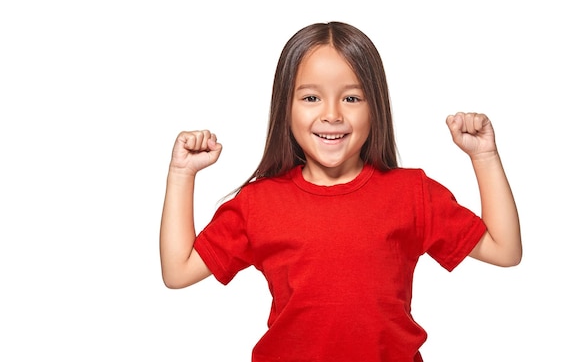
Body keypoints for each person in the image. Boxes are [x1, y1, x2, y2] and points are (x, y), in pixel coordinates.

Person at [160, 21, 522, 362]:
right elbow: (178, 272)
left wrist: (485, 157)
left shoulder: (412, 193)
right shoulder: (259, 202)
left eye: (351, 98)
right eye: (311, 98)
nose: (331, 114)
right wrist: (181, 174)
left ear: (374, 107)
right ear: (285, 107)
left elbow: (504, 250)